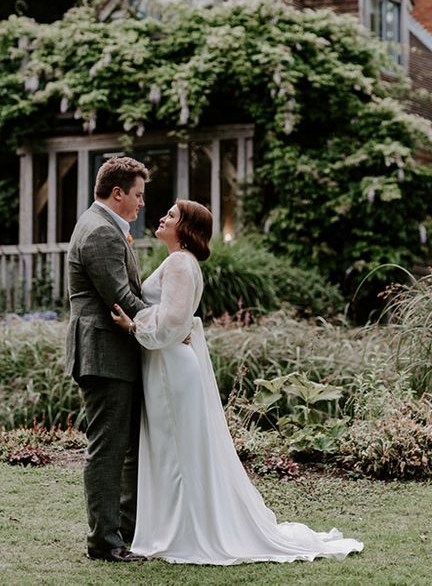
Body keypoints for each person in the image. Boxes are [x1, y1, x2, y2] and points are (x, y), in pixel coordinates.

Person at [111, 199, 364, 564]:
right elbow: (183, 319)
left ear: (185, 229)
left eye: (172, 215)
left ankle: (185, 533)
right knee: (173, 451)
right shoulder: (180, 262)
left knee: (177, 453)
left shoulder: (181, 263)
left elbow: (171, 322)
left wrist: (134, 325)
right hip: (166, 364)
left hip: (171, 371)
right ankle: (175, 528)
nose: (163, 217)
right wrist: (179, 326)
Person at [65, 156, 150, 562]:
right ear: (117, 193)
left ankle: (124, 532)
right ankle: (105, 541)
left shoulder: (104, 227)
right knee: (108, 448)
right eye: (137, 195)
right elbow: (122, 298)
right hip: (103, 353)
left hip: (114, 353)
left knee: (126, 446)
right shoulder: (100, 232)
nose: (140, 204)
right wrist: (168, 326)